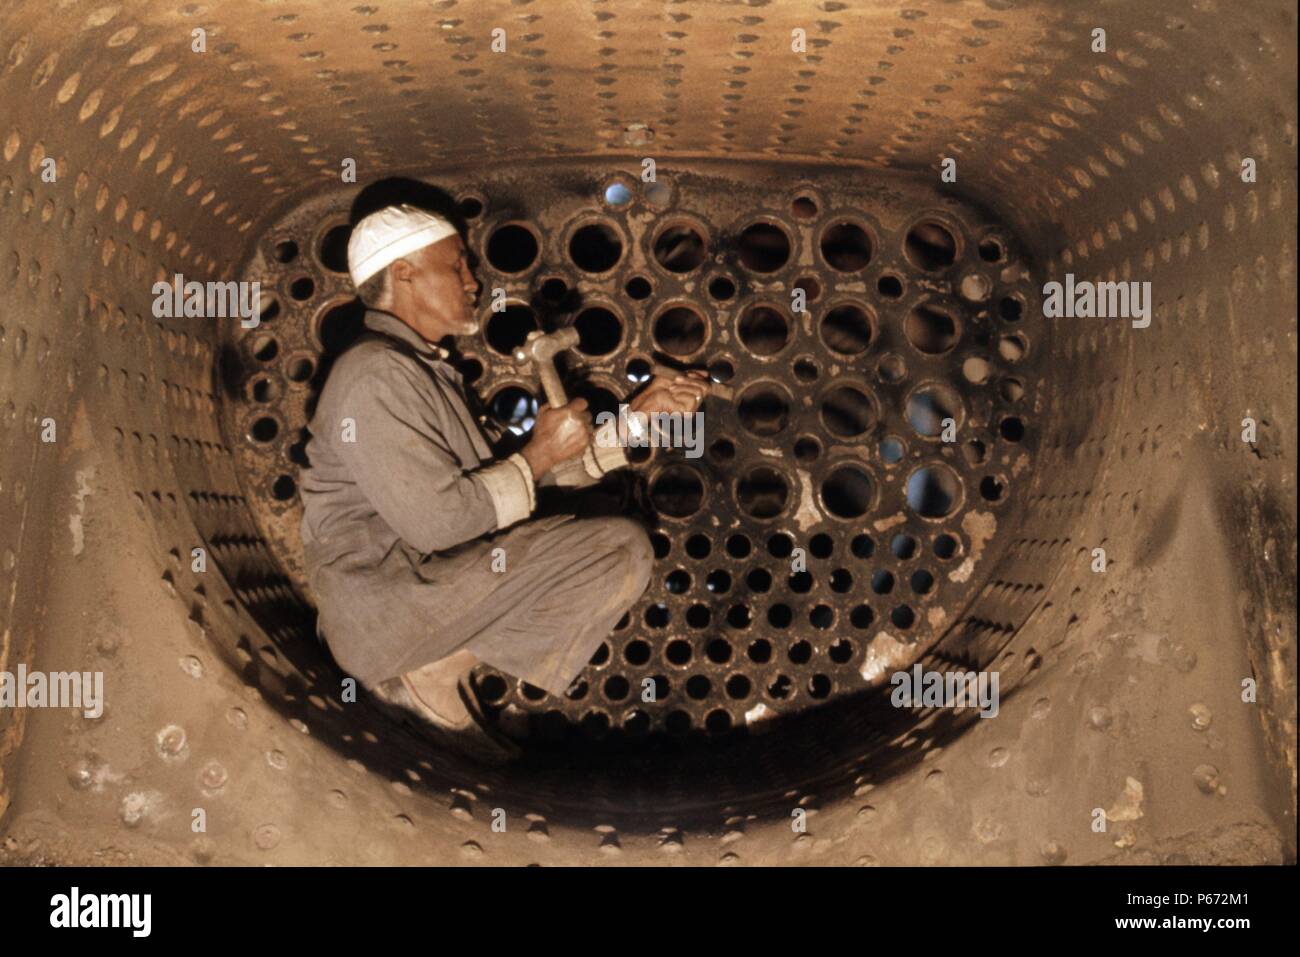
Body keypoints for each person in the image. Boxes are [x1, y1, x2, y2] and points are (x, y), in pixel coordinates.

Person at [299, 203, 708, 759]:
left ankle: (436, 666)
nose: (473, 281)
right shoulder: (374, 376)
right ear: (404, 274)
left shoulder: (415, 367)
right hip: (386, 608)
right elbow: (442, 521)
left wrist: (639, 416)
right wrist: (538, 454)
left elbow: (511, 489)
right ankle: (432, 671)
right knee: (616, 548)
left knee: (614, 544)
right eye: (457, 266)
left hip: (422, 590)